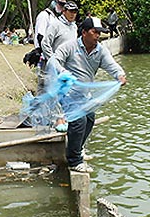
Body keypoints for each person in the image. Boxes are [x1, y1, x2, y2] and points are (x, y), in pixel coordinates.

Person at [48, 16, 126, 173]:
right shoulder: (70, 47)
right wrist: (63, 72)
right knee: (79, 120)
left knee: (90, 118)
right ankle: (74, 161)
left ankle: (77, 147)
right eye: (94, 32)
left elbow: (112, 65)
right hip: (66, 94)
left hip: (84, 95)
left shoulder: (100, 51)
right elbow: (53, 61)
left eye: (99, 32)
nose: (98, 35)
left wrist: (119, 75)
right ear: (84, 32)